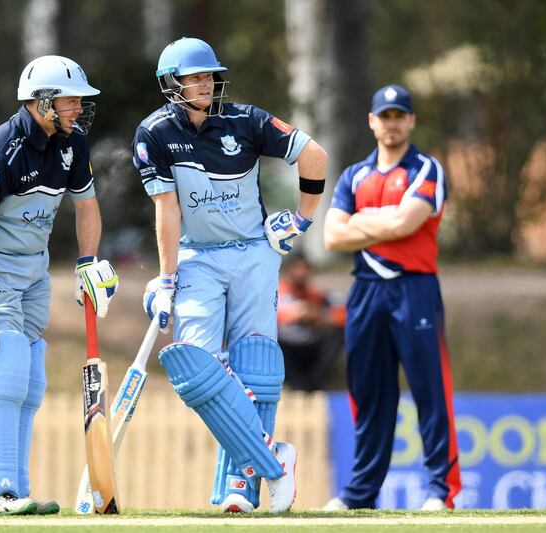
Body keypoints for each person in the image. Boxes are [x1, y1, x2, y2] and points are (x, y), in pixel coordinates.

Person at [132, 37, 328, 513]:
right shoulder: (153, 134)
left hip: (255, 256)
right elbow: (166, 209)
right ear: (171, 84)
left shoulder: (247, 120)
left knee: (255, 370)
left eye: (209, 76)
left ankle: (239, 487)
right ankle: (273, 460)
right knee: (196, 369)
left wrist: (300, 221)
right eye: (194, 77)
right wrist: (166, 278)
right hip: (197, 256)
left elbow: (315, 156)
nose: (205, 84)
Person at [0, 55, 118, 516]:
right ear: (42, 102)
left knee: (31, 378)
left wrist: (86, 261)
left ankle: (15, 491)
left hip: (35, 269)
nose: (79, 107)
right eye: (70, 99)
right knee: (6, 369)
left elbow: (87, 206)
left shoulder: (72, 142)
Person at [322, 84, 461, 511]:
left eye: (400, 115)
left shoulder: (426, 168)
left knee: (429, 390)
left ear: (411, 121)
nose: (392, 124)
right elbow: (331, 236)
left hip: (414, 288)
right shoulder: (353, 176)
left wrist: (362, 222)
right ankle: (360, 494)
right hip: (364, 290)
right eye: (385, 116)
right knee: (368, 392)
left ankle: (442, 491)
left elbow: (408, 222)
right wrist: (386, 219)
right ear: (372, 121)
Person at [277, 254, 345, 392]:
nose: (301, 273)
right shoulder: (277, 293)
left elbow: (344, 315)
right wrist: (294, 314)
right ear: (288, 270)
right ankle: (295, 386)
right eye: (297, 268)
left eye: (305, 268)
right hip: (286, 349)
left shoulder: (317, 296)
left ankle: (313, 386)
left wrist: (319, 315)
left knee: (339, 334)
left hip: (311, 346)